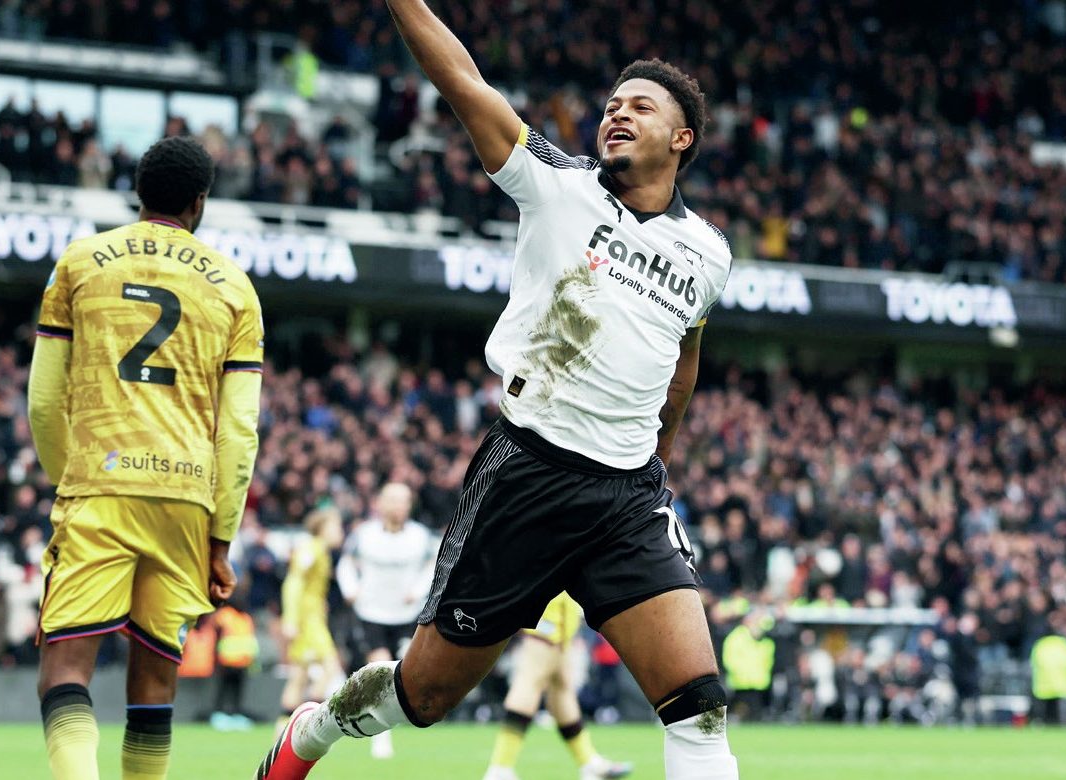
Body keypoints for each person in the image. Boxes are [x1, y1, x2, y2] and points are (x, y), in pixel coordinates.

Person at [257, 1, 737, 777]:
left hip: (628, 500)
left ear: (681, 138)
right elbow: (461, 80)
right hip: (528, 477)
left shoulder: (707, 252)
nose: (616, 114)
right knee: (423, 696)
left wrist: (660, 468)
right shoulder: (557, 184)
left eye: (639, 107)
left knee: (699, 708)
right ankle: (311, 732)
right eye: (611, 105)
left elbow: (683, 360)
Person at [27, 135, 264, 780]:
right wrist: (222, 537)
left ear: (139, 193)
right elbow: (239, 430)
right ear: (199, 200)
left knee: (64, 669)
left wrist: (70, 482)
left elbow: (44, 403)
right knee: (155, 682)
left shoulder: (80, 262)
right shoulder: (235, 288)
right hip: (187, 496)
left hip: (99, 484)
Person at [336, 482, 438, 759]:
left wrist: (418, 590)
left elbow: (434, 566)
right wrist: (351, 589)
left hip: (407, 615)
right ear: (379, 504)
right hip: (372, 613)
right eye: (392, 500)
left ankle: (411, 719)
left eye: (403, 500)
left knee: (409, 671)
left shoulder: (420, 536)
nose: (397, 506)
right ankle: (381, 736)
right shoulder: (363, 535)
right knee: (380, 670)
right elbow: (345, 563)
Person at [483, 593, 633, 780]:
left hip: (559, 628)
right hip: (548, 626)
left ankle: (589, 763)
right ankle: (500, 768)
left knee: (561, 692)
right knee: (528, 683)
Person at [280, 507, 346, 725]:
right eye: (336, 526)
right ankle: (309, 724)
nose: (340, 531)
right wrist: (290, 619)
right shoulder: (312, 548)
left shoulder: (321, 551)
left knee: (299, 676)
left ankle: (281, 735)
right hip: (308, 620)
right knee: (331, 667)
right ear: (323, 528)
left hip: (312, 616)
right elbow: (293, 581)